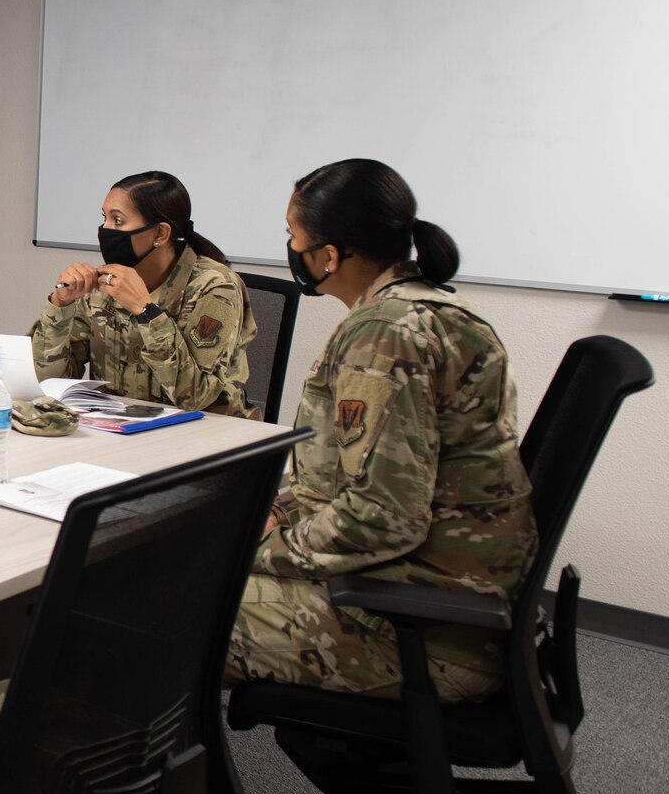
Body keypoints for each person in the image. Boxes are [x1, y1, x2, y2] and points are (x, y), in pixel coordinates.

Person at [225, 158, 536, 703]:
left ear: (328, 255)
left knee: (173, 610)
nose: (291, 248)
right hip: (424, 595)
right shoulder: (427, 311)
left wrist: (253, 549)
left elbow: (384, 516)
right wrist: (277, 514)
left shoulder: (387, 333)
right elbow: (348, 480)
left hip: (418, 632)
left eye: (292, 236)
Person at [32, 171, 258, 419]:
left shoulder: (216, 287)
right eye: (104, 218)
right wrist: (61, 305)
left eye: (117, 221)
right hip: (120, 427)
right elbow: (47, 382)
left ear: (160, 234)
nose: (105, 230)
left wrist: (146, 311)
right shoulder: (103, 286)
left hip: (207, 433)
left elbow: (195, 397)